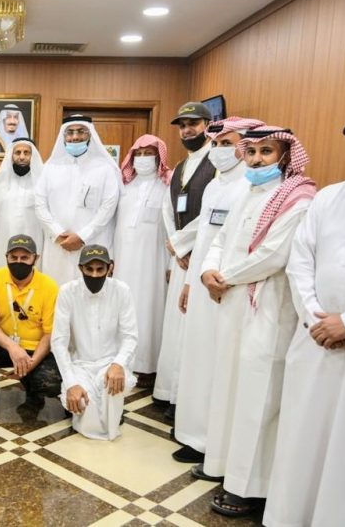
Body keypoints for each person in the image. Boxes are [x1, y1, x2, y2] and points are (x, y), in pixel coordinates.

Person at [200, 127, 316, 517]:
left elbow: (273, 256)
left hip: (267, 309)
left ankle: (250, 488)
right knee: (229, 386)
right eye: (251, 152)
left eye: (267, 151)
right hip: (232, 301)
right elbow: (219, 240)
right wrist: (208, 271)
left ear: (285, 156)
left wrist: (225, 278)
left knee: (258, 396)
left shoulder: (297, 199)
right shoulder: (245, 193)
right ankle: (222, 466)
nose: (257, 159)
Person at [263, 110, 345, 527]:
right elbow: (300, 262)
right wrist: (316, 319)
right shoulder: (328, 198)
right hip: (316, 340)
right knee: (304, 439)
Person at [173, 117, 263, 468]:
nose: (221, 150)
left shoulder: (249, 187)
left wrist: (220, 279)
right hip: (202, 283)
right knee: (196, 357)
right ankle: (192, 431)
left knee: (218, 365)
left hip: (227, 289)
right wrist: (188, 282)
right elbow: (207, 238)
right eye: (218, 143)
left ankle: (211, 441)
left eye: (229, 143)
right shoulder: (214, 185)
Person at [153, 101, 216, 418]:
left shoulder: (217, 163)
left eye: (193, 124)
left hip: (201, 259)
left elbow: (214, 214)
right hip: (182, 258)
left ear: (208, 125)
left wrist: (184, 245)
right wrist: (177, 247)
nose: (187, 130)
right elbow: (168, 208)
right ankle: (168, 392)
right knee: (174, 326)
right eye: (182, 125)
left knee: (192, 329)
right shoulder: (181, 166)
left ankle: (184, 399)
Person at [51, 244, 138, 440]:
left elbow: (130, 336)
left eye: (100, 269)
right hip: (80, 365)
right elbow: (58, 342)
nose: (95, 274)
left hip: (110, 365)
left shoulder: (122, 290)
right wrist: (71, 383)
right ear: (80, 268)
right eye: (89, 269)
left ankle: (109, 410)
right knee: (83, 406)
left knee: (112, 395)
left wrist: (118, 364)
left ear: (110, 267)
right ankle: (97, 409)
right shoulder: (67, 291)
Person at [0, 235, 61, 417]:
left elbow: (49, 334)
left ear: (35, 259)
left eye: (25, 257)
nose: (19, 262)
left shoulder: (49, 286)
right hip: (3, 345)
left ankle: (34, 394)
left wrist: (30, 365)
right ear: (6, 258)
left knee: (51, 382)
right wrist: (12, 347)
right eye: (14, 257)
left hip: (34, 350)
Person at [112, 135, 171, 388]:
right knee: (122, 309)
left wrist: (171, 263)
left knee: (149, 311)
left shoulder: (167, 186)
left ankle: (147, 366)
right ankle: (120, 361)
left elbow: (172, 228)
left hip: (153, 264)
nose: (143, 159)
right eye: (139, 154)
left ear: (159, 158)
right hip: (123, 261)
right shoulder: (124, 186)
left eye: (149, 154)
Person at [35, 115, 121, 285]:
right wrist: (58, 234)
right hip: (57, 247)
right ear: (64, 136)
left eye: (81, 132)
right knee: (56, 292)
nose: (75, 137)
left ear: (90, 135)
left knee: (89, 292)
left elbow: (108, 207)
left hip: (91, 244)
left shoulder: (104, 169)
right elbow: (39, 205)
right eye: (70, 132)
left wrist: (82, 236)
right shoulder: (50, 168)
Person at [0, 138, 45, 270]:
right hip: (3, 240)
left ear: (32, 156)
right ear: (11, 155)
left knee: (34, 274)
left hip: (35, 240)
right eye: (18, 152)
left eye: (26, 153)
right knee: (3, 273)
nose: (22, 157)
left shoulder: (42, 183)